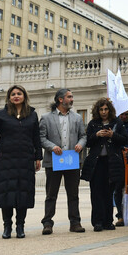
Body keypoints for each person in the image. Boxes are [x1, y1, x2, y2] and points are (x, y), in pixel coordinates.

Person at [0, 85, 42, 239]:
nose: (16, 96)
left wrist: (38, 157)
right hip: (5, 159)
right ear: (9, 97)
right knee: (7, 193)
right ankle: (7, 226)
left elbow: (36, 137)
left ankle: (20, 226)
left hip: (25, 159)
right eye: (13, 94)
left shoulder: (32, 115)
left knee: (23, 193)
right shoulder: (2, 114)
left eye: (19, 93)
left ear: (24, 96)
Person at [39, 88, 86, 234]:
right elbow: (41, 138)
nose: (72, 99)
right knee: (51, 194)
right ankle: (47, 222)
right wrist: (52, 147)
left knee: (73, 194)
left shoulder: (77, 117)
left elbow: (83, 136)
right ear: (60, 99)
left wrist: (80, 144)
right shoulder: (46, 118)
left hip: (72, 161)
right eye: (69, 97)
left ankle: (75, 222)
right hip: (54, 161)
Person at [81, 98, 127, 232]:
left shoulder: (117, 122)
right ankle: (97, 221)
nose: (104, 112)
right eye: (101, 109)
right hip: (97, 162)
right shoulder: (93, 123)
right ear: (97, 110)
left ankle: (108, 220)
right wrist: (96, 135)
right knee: (96, 193)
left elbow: (125, 139)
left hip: (112, 161)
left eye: (106, 109)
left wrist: (112, 135)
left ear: (110, 110)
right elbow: (87, 142)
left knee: (109, 192)